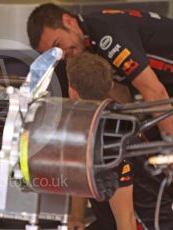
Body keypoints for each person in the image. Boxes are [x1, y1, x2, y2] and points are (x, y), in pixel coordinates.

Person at [27, 3, 173, 138]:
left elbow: (154, 92)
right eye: (54, 54)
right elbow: (125, 100)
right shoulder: (87, 44)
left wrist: (168, 150)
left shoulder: (105, 35)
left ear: (68, 21)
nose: (61, 55)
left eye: (58, 44)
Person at [66, 51, 173, 230]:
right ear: (110, 85)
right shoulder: (92, 121)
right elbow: (80, 170)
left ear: (72, 92)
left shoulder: (109, 138)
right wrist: (76, 217)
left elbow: (127, 220)